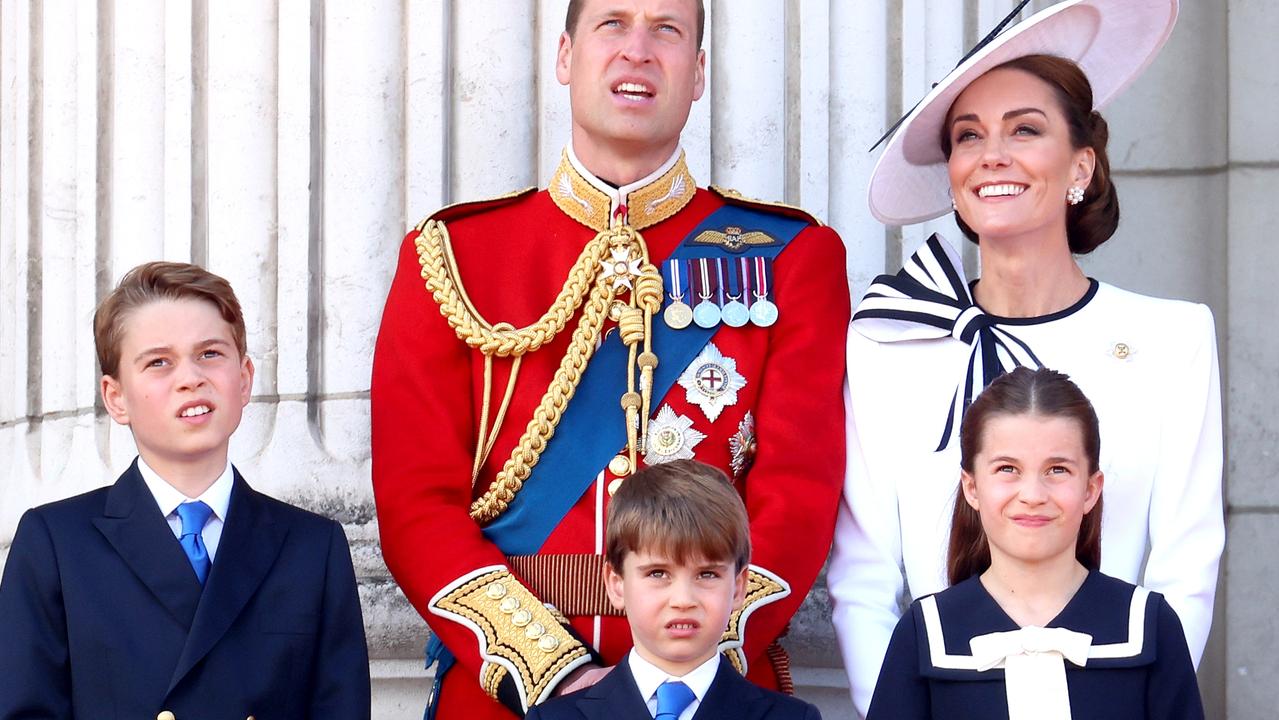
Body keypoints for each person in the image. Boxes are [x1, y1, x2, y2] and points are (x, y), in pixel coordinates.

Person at [371, 0, 849, 717]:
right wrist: (550, 671)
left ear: (697, 73)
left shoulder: (790, 258)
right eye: (612, 23)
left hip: (712, 690)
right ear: (566, 58)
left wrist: (687, 672)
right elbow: (415, 504)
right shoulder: (453, 257)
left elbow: (798, 494)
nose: (638, 49)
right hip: (507, 694)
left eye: (667, 30)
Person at [827, 0, 1221, 714]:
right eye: (968, 136)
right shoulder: (885, 343)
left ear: (1080, 165)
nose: (992, 155)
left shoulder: (1174, 339)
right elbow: (861, 580)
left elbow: (1184, 571)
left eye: (1024, 130)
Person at [0, 262, 371, 718]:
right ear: (116, 397)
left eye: (210, 353)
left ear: (244, 378)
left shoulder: (313, 547)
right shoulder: (55, 543)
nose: (190, 377)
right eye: (159, 362)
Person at [866, 367, 1204, 719]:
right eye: (1007, 469)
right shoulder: (926, 631)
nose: (1032, 495)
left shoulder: (1149, 625)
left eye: (1057, 470)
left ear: (1091, 489)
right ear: (972, 488)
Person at [526, 460, 822, 720]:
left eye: (707, 574)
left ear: (738, 587)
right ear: (616, 584)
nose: (683, 600)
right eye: (658, 573)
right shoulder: (553, 717)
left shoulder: (793, 717)